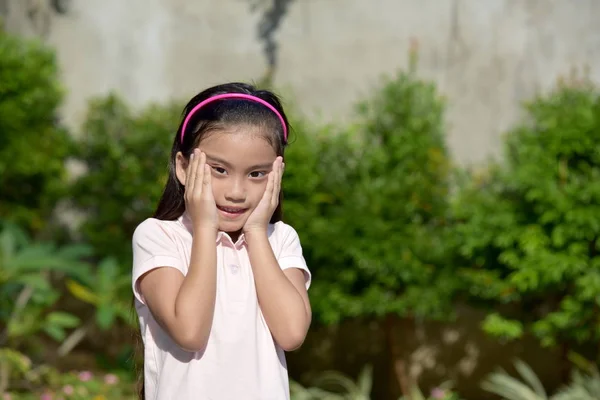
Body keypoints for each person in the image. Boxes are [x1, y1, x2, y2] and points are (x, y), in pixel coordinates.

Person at [131, 82, 312, 399]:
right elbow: (189, 331)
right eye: (219, 170)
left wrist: (256, 232)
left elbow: (292, 333)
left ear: (277, 174)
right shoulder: (158, 236)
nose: (236, 192)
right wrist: (204, 228)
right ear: (184, 167)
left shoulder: (280, 239)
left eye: (256, 174)